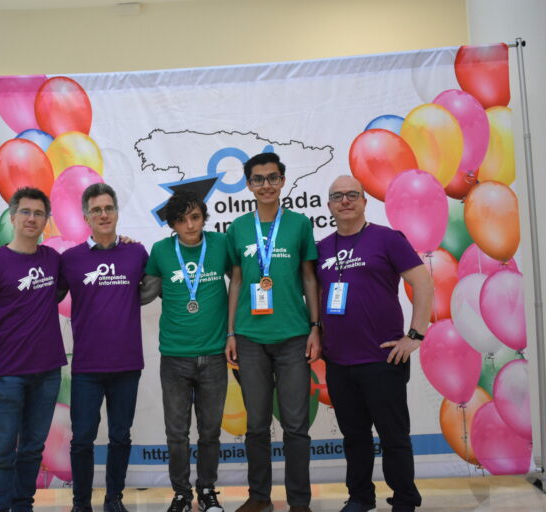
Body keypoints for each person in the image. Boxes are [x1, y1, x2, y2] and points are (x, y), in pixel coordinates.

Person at [315, 175, 433, 512]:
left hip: (383, 359)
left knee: (393, 436)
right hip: (338, 361)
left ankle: (405, 499)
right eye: (338, 196)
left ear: (365, 201)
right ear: (329, 205)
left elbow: (423, 283)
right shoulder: (322, 248)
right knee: (354, 437)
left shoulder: (387, 239)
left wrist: (415, 335)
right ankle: (360, 497)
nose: (345, 201)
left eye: (353, 194)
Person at [225, 152, 320, 512]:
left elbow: (309, 278)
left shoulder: (299, 224)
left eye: (272, 177)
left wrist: (315, 327)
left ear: (282, 181)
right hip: (250, 339)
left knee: (296, 426)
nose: (266, 185)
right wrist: (231, 332)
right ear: (249, 185)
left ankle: (299, 502)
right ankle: (259, 497)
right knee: (257, 425)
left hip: (294, 336)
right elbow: (236, 281)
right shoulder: (237, 228)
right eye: (258, 179)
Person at [0, 187, 67, 512]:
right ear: (12, 217)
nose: (31, 218)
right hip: (7, 377)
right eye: (25, 212)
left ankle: (23, 505)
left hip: (47, 373)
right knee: (1, 453)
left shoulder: (53, 260)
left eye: (39, 213)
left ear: (46, 221)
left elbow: (68, 284)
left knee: (32, 450)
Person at [59, 183, 155, 512]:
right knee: (82, 439)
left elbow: (153, 287)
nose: (104, 214)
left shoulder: (136, 253)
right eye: (96, 210)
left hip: (127, 365)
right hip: (87, 367)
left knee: (120, 437)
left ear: (116, 212)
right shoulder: (70, 259)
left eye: (109, 208)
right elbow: (47, 297)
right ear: (86, 217)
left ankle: (114, 500)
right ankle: (81, 504)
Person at [145, 190, 230, 512]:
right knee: (177, 433)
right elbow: (146, 292)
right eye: (181, 220)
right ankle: (181, 494)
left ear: (204, 218)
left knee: (210, 432)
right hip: (175, 356)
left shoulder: (221, 244)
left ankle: (207, 490)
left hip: (215, 354)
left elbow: (240, 282)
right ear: (172, 224)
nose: (190, 225)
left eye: (195, 217)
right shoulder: (161, 251)